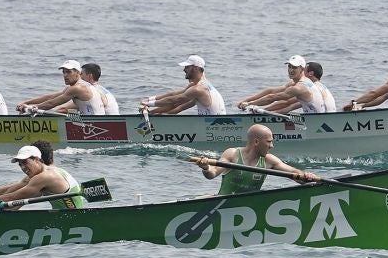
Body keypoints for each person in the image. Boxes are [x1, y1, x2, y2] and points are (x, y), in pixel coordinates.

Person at [191, 124, 321, 193]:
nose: (272, 146)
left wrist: (307, 177)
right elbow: (212, 174)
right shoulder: (232, 154)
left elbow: (294, 174)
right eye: (269, 142)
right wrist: (205, 167)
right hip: (223, 205)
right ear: (257, 142)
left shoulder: (269, 161)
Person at [0, 142, 87, 210]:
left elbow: (12, 196)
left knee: (11, 204)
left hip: (74, 216)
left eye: (25, 162)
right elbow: (6, 189)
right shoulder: (37, 175)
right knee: (10, 208)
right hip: (61, 214)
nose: (23, 167)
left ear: (37, 159)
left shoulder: (46, 177)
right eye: (20, 164)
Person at [236, 55, 328, 114]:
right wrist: (245, 100)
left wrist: (249, 104)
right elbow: (271, 91)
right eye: (289, 66)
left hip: (315, 122)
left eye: (294, 67)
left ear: (301, 69)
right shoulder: (297, 82)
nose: (291, 70)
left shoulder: (300, 87)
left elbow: (272, 97)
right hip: (313, 118)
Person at [141, 55, 228, 115]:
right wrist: (151, 107)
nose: (184, 70)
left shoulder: (198, 89)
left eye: (187, 67)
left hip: (213, 126)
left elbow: (174, 100)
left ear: (196, 68)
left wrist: (148, 104)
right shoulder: (197, 84)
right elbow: (178, 104)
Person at [17, 60, 103, 115]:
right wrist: (26, 102)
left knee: (56, 112)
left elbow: (51, 103)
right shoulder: (75, 86)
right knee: (58, 112)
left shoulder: (78, 88)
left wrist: (30, 108)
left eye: (68, 72)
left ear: (78, 73)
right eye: (64, 72)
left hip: (95, 123)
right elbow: (50, 97)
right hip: (88, 120)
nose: (65, 75)